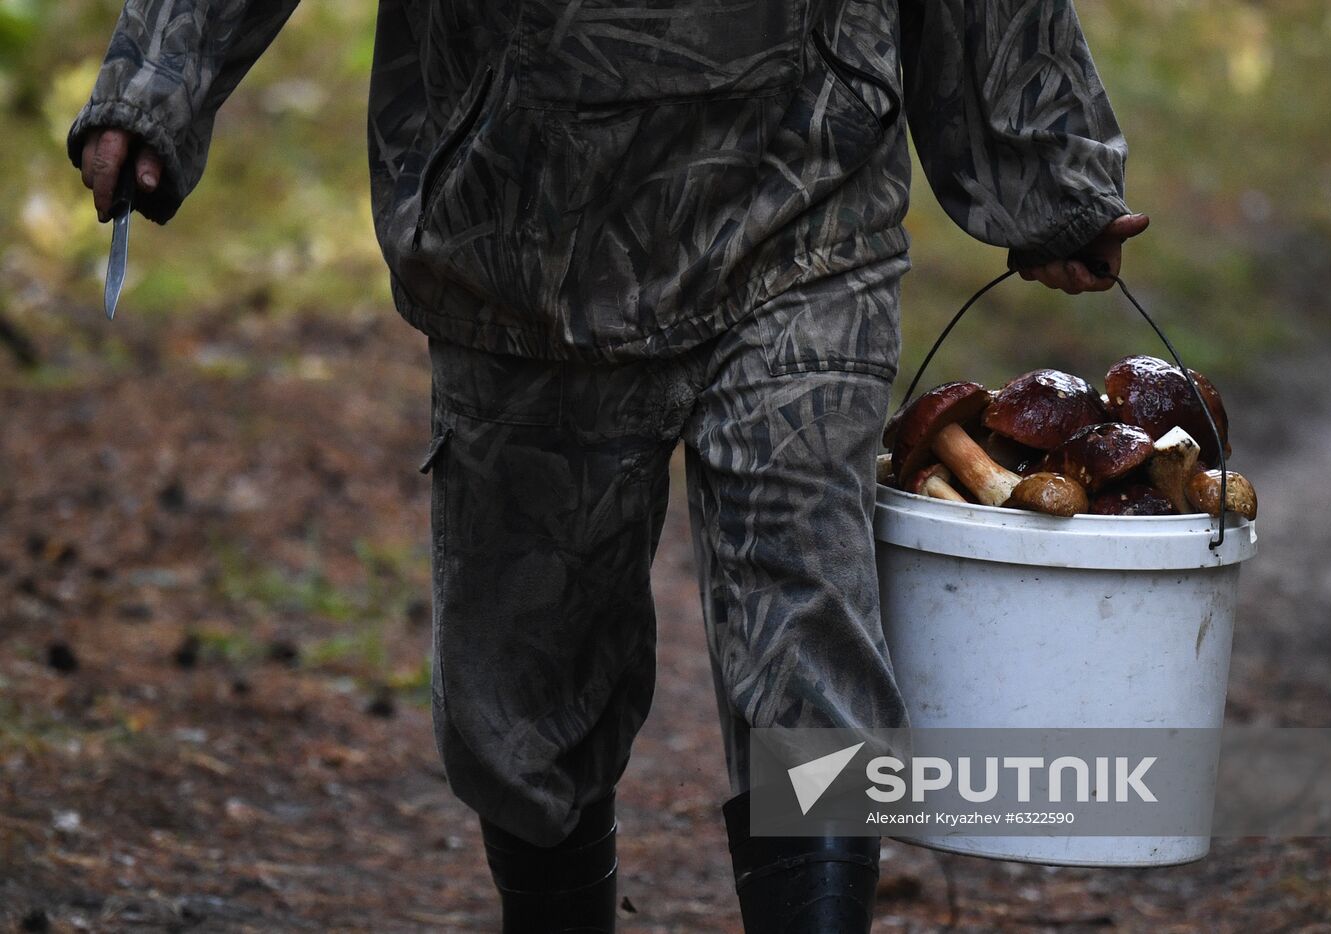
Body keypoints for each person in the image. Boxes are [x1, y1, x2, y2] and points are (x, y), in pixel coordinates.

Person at [71, 0, 1147, 929]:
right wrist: (157, 84)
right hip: (518, 235)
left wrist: (1046, 169)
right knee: (524, 691)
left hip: (804, 201)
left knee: (806, 623)